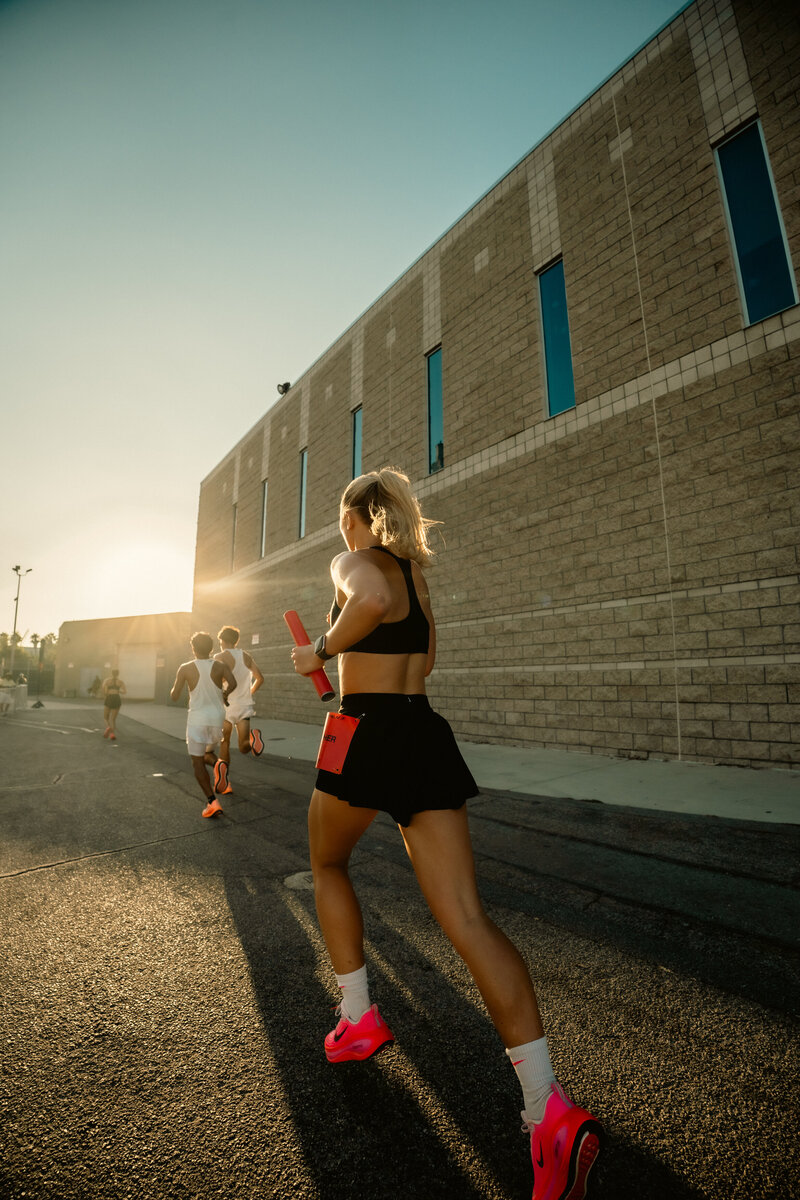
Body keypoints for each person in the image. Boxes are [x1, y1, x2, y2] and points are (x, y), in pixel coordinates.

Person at [291, 467, 601, 1200]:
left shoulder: (354, 561)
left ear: (362, 516)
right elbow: (426, 661)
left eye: (347, 519)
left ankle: (359, 1017)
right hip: (424, 732)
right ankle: (546, 1109)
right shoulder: (419, 582)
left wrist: (321, 651)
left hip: (363, 730)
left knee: (328, 865)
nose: (343, 532)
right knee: (466, 917)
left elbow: (363, 599)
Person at [170, 632, 236, 818]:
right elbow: (233, 683)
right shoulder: (220, 666)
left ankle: (212, 802)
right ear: (211, 648)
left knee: (197, 762)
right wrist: (224, 694)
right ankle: (218, 765)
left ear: (193, 648)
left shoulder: (185, 668)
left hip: (198, 719)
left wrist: (177, 685)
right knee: (208, 752)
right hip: (217, 719)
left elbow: (174, 696)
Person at [213, 625, 264, 795]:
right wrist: (248, 693)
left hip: (227, 707)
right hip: (244, 706)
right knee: (243, 747)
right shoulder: (246, 656)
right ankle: (254, 737)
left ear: (222, 641)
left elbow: (217, 682)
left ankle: (224, 780)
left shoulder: (219, 656)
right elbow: (260, 678)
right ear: (236, 641)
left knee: (224, 742)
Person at [101, 669, 126, 740]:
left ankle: (108, 727)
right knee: (113, 719)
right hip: (117, 698)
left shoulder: (107, 681)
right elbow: (124, 692)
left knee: (105, 717)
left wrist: (107, 692)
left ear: (111, 673)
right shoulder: (120, 682)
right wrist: (118, 691)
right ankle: (112, 734)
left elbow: (105, 692)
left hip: (109, 698)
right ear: (118, 674)